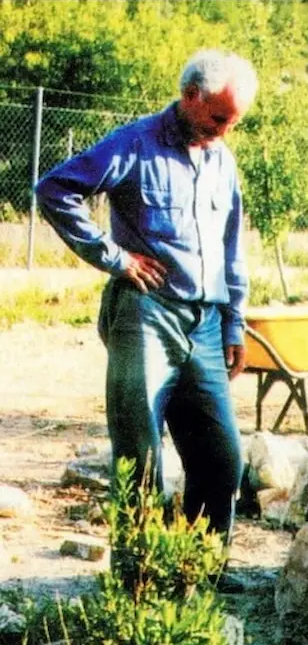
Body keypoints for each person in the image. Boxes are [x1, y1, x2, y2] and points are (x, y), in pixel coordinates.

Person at [36, 49, 259, 546]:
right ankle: (139, 582)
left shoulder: (222, 157)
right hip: (145, 315)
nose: (224, 131)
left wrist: (233, 321)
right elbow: (55, 190)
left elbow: (230, 246)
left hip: (204, 322)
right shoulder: (134, 144)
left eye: (234, 122)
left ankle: (197, 574)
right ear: (189, 96)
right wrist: (116, 258)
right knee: (141, 459)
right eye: (218, 117)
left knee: (222, 462)